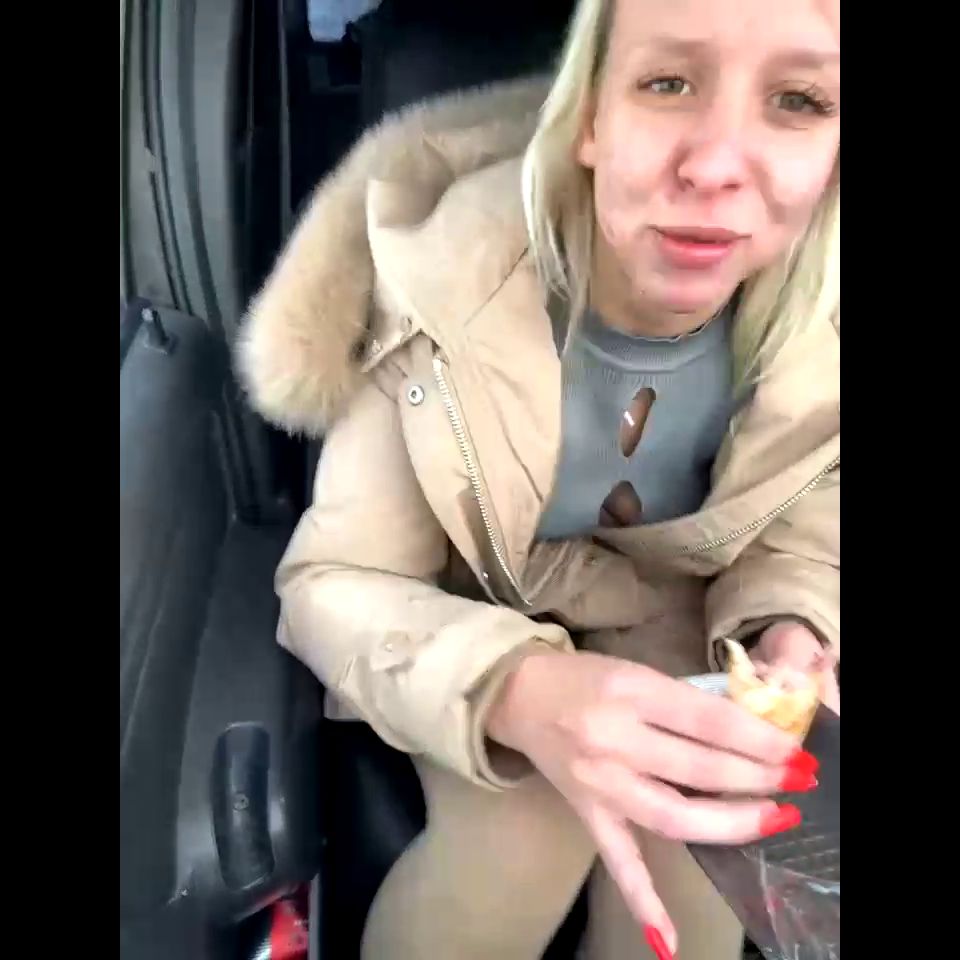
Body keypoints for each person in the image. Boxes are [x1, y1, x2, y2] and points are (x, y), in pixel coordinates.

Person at [237, 0, 840, 957]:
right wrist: (518, 689)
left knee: (701, 842)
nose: (719, 165)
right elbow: (332, 581)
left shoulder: (823, 326)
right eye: (668, 83)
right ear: (591, 116)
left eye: (799, 100)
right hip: (463, 606)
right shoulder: (443, 286)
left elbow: (807, 519)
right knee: (516, 844)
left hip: (679, 605)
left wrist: (796, 625)